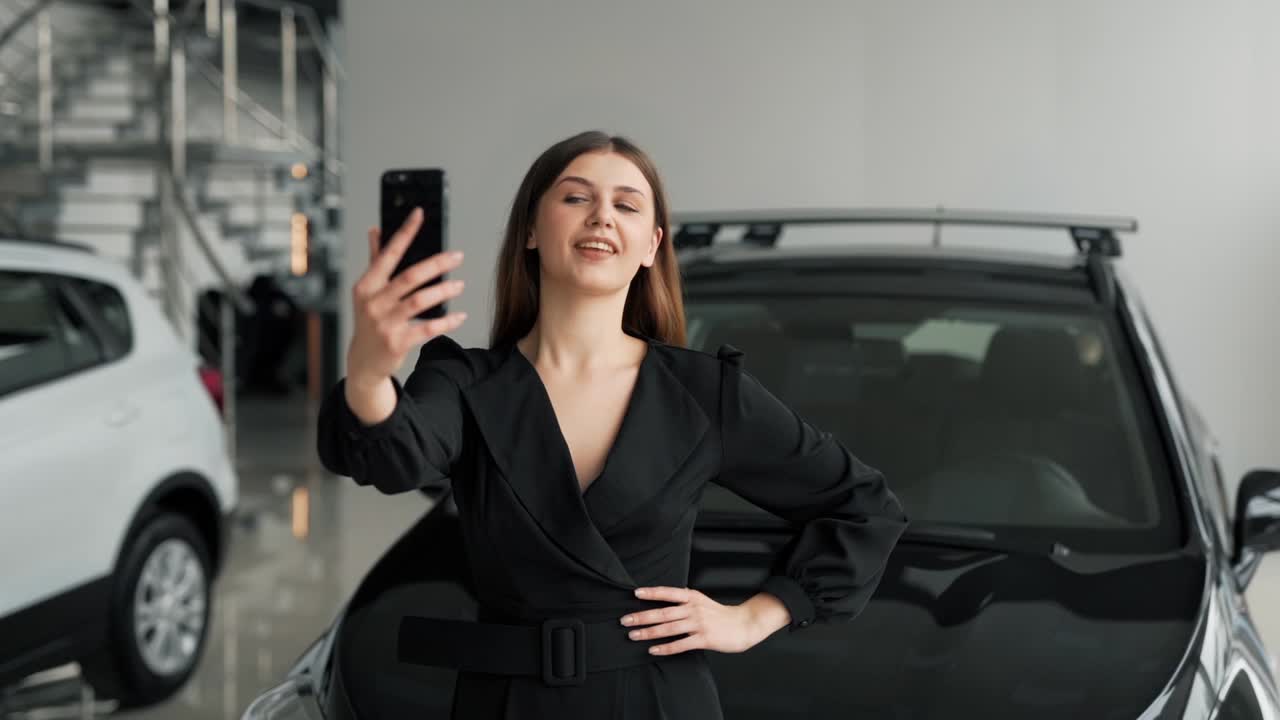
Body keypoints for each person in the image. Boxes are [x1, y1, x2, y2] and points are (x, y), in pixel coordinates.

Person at [316, 130, 908, 719]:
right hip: (504, 705)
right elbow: (394, 457)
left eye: (625, 205)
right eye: (576, 198)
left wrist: (756, 615)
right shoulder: (464, 381)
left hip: (656, 700)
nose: (602, 216)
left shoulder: (702, 392)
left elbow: (864, 505)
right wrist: (370, 370)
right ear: (530, 229)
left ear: (650, 246)